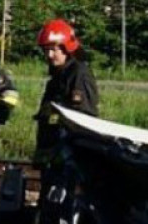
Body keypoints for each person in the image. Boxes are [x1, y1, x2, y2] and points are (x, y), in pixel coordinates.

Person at [33, 19, 99, 168]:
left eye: (53, 49)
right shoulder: (57, 77)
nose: (49, 55)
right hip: (53, 153)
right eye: (46, 50)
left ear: (66, 48)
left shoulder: (78, 74)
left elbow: (82, 117)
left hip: (69, 156)